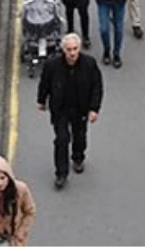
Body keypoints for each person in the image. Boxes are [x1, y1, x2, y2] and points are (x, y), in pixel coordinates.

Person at [37, 33, 103, 190]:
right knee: (61, 139)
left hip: (80, 108)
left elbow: (97, 87)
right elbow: (44, 83)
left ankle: (78, 157)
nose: (72, 53)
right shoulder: (52, 65)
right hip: (60, 110)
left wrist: (94, 108)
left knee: (80, 135)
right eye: (69, 49)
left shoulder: (89, 64)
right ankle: (61, 173)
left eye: (75, 49)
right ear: (63, 50)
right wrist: (41, 100)